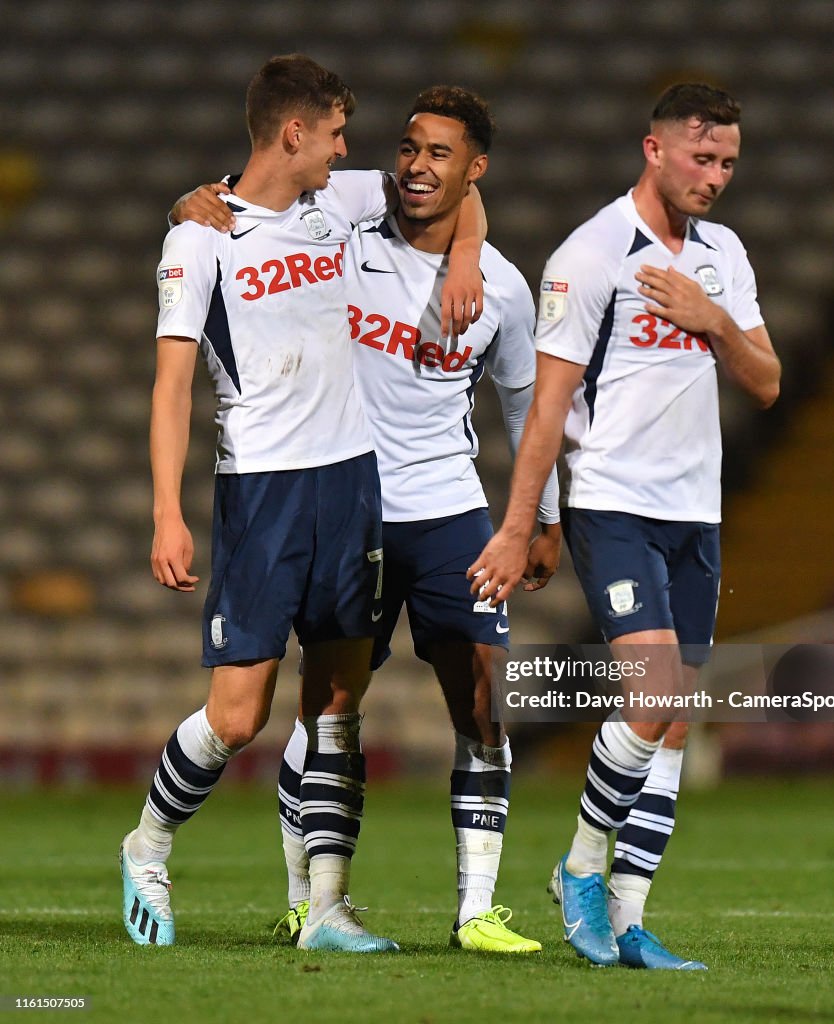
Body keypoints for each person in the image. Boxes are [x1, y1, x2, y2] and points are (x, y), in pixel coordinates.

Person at [178, 86, 561, 955]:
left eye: (441, 155)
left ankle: (476, 912)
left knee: (483, 700)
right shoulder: (338, 235)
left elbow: (525, 401)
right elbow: (253, 201)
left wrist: (542, 515)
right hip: (344, 501)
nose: (417, 167)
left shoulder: (497, 285)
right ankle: (308, 900)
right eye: (408, 149)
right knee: (327, 711)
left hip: (448, 508)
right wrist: (190, 200)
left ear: (476, 170)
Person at [120, 54, 483, 954]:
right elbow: (170, 388)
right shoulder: (198, 238)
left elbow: (454, 190)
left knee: (332, 705)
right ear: (294, 133)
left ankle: (325, 906)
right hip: (264, 490)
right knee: (239, 718)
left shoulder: (343, 199)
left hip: (351, 481)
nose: (352, 153)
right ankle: (149, 842)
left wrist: (468, 255)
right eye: (334, 134)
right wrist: (166, 510)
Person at [468, 82, 781, 969]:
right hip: (614, 500)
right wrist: (520, 521)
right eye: (700, 158)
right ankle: (577, 870)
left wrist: (711, 317)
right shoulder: (591, 254)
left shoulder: (722, 253)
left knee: (675, 725)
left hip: (696, 510)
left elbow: (766, 381)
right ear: (653, 150)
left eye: (726, 162)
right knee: (657, 702)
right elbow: (547, 406)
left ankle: (630, 918)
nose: (714, 177)